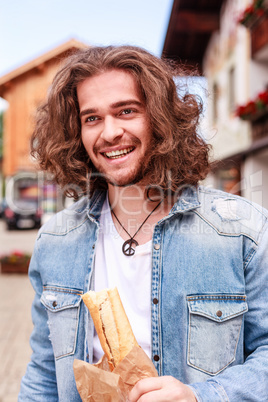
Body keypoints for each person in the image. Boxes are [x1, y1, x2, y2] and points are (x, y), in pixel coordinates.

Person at [19, 45, 268, 402]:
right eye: (92, 118)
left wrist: (203, 396)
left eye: (126, 111)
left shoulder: (244, 231)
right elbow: (45, 373)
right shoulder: (56, 241)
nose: (109, 132)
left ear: (161, 118)